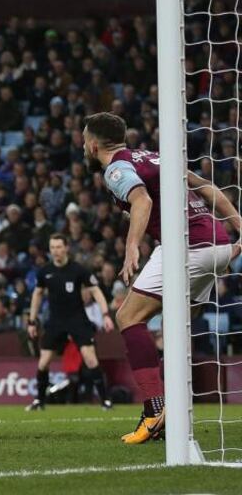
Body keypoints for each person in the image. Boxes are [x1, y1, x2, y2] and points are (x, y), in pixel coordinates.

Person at [84, 112, 242, 444]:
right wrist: (238, 229)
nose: (84, 147)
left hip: (187, 246)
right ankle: (171, 412)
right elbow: (208, 188)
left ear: (93, 144)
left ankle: (155, 410)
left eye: (85, 141)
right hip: (218, 244)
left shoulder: (115, 169)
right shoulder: (153, 156)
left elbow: (141, 200)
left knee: (128, 316)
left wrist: (131, 248)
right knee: (175, 329)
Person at [26, 233, 114, 411]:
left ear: (66, 248)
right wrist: (32, 321)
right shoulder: (45, 272)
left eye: (59, 247)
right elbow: (37, 294)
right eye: (52, 248)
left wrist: (105, 314)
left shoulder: (78, 270)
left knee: (90, 359)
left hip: (77, 319)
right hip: (55, 321)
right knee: (43, 362)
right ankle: (39, 401)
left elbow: (96, 291)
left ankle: (105, 400)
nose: (56, 251)